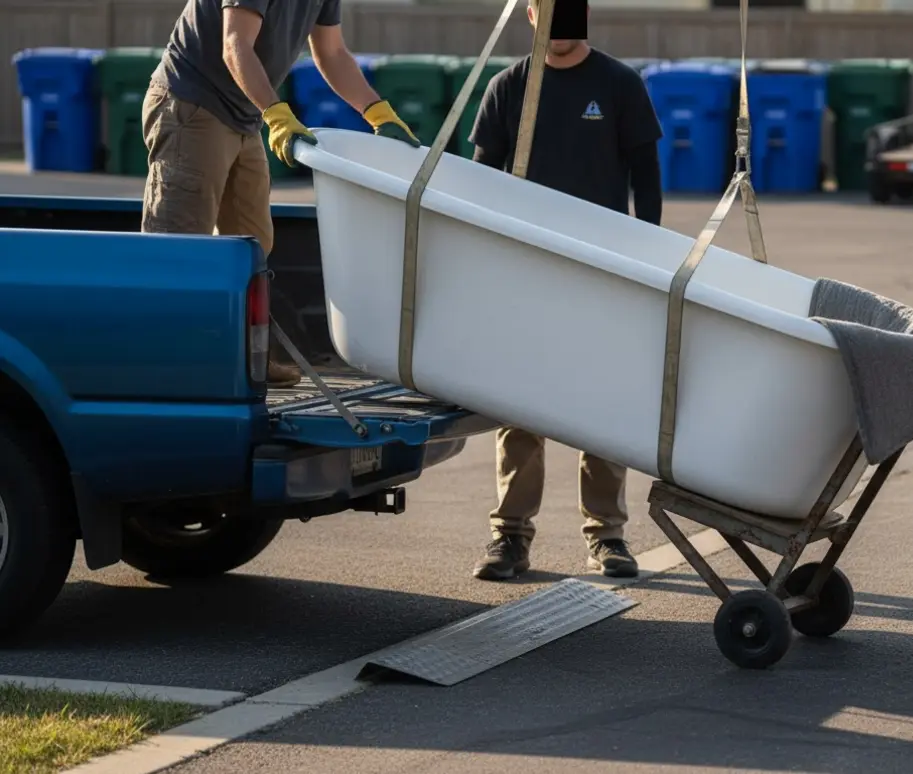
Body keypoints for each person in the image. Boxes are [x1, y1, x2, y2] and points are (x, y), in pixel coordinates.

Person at [466, 0, 664, 581]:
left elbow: (646, 177)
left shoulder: (619, 83)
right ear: (530, 14)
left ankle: (607, 537)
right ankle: (510, 538)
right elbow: (480, 179)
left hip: (602, 272)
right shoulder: (509, 88)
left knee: (598, 404)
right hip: (527, 273)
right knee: (520, 409)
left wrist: (648, 258)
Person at [141, 0, 420, 387]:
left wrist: (377, 113)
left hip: (243, 113)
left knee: (254, 243)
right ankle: (165, 373)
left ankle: (244, 360)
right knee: (181, 247)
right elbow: (235, 44)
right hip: (191, 104)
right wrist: (277, 115)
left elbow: (332, 52)